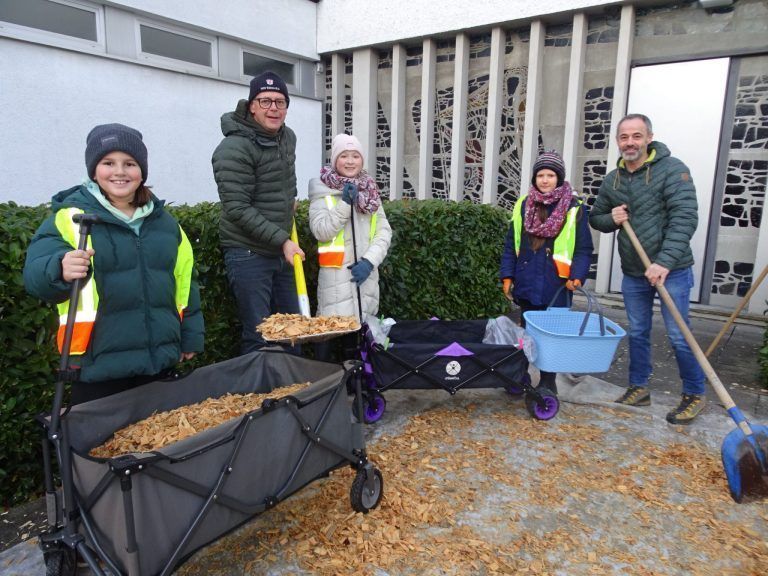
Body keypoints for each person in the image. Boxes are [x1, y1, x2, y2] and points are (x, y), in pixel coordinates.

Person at [23, 123, 204, 404]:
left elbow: (184, 283)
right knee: (101, 447)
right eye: (108, 162)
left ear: (142, 171)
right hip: (97, 367)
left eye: (129, 163)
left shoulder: (165, 224)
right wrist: (58, 269)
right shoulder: (70, 218)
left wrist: (190, 335)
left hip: (157, 363)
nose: (119, 172)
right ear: (94, 170)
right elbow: (35, 276)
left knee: (159, 445)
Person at [589, 113, 706, 425]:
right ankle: (638, 388)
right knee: (638, 331)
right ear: (618, 141)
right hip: (634, 271)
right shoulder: (613, 179)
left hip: (673, 269)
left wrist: (664, 262)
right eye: (624, 137)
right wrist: (610, 218)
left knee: (679, 335)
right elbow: (596, 217)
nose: (630, 142)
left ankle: (694, 393)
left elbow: (685, 218)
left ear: (649, 138)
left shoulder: (673, 170)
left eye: (637, 136)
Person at [211, 71, 304, 355]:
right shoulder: (233, 148)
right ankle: (259, 397)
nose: (273, 108)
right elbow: (237, 208)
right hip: (248, 252)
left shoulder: (288, 137)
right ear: (251, 105)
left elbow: (286, 181)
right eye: (265, 101)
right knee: (260, 334)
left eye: (279, 102)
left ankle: (294, 394)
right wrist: (283, 241)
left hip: (280, 251)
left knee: (294, 329)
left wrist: (290, 202)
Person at [499, 150, 593, 396]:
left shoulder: (574, 208)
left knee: (552, 335)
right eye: (540, 175)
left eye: (550, 175)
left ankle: (548, 380)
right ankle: (520, 376)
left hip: (558, 285)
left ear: (559, 178)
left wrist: (578, 276)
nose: (544, 180)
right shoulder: (523, 205)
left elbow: (584, 249)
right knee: (526, 332)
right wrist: (507, 276)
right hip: (527, 280)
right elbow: (512, 244)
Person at [308, 134, 392, 358]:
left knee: (355, 347)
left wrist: (369, 261)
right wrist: (345, 204)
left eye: (355, 155)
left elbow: (384, 232)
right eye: (344, 156)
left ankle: (356, 390)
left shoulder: (370, 192)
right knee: (327, 343)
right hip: (336, 284)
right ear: (335, 160)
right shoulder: (322, 192)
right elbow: (321, 230)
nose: (350, 161)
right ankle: (328, 390)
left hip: (365, 282)